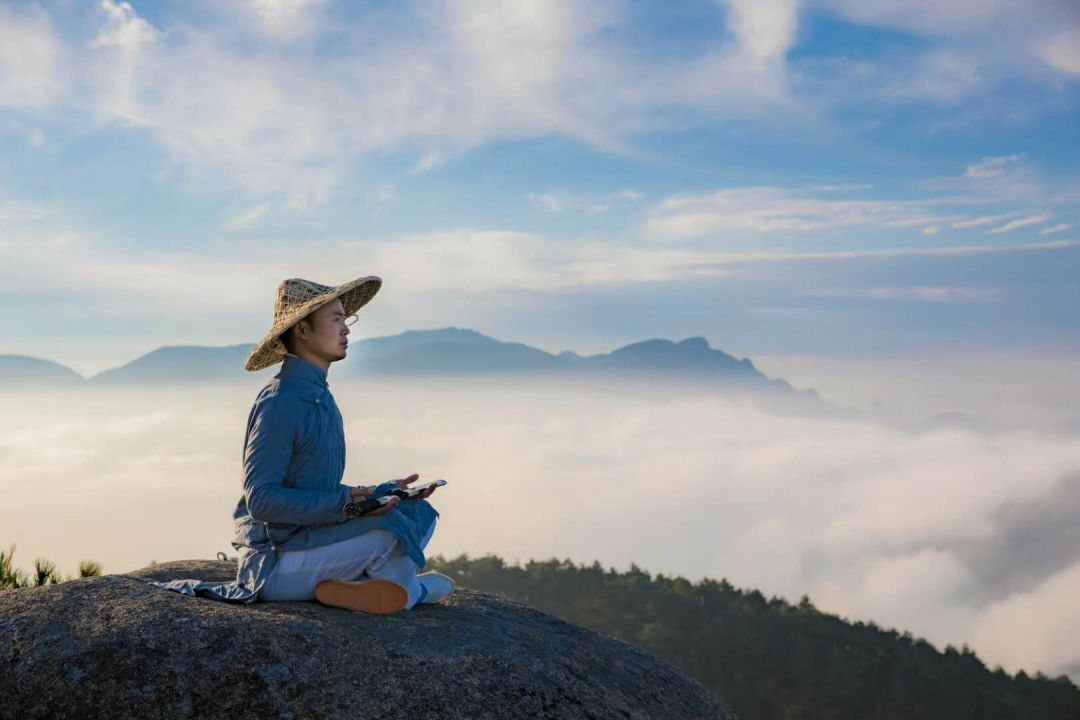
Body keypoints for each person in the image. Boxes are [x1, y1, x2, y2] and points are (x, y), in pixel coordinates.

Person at [148, 276, 454, 613]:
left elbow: (313, 488)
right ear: (303, 331)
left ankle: (373, 588)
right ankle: (412, 592)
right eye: (336, 319)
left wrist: (376, 495)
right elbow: (262, 500)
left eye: (346, 319)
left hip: (310, 542)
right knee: (389, 538)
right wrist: (346, 504)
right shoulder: (280, 402)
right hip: (278, 562)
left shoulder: (320, 396)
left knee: (415, 512)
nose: (347, 329)